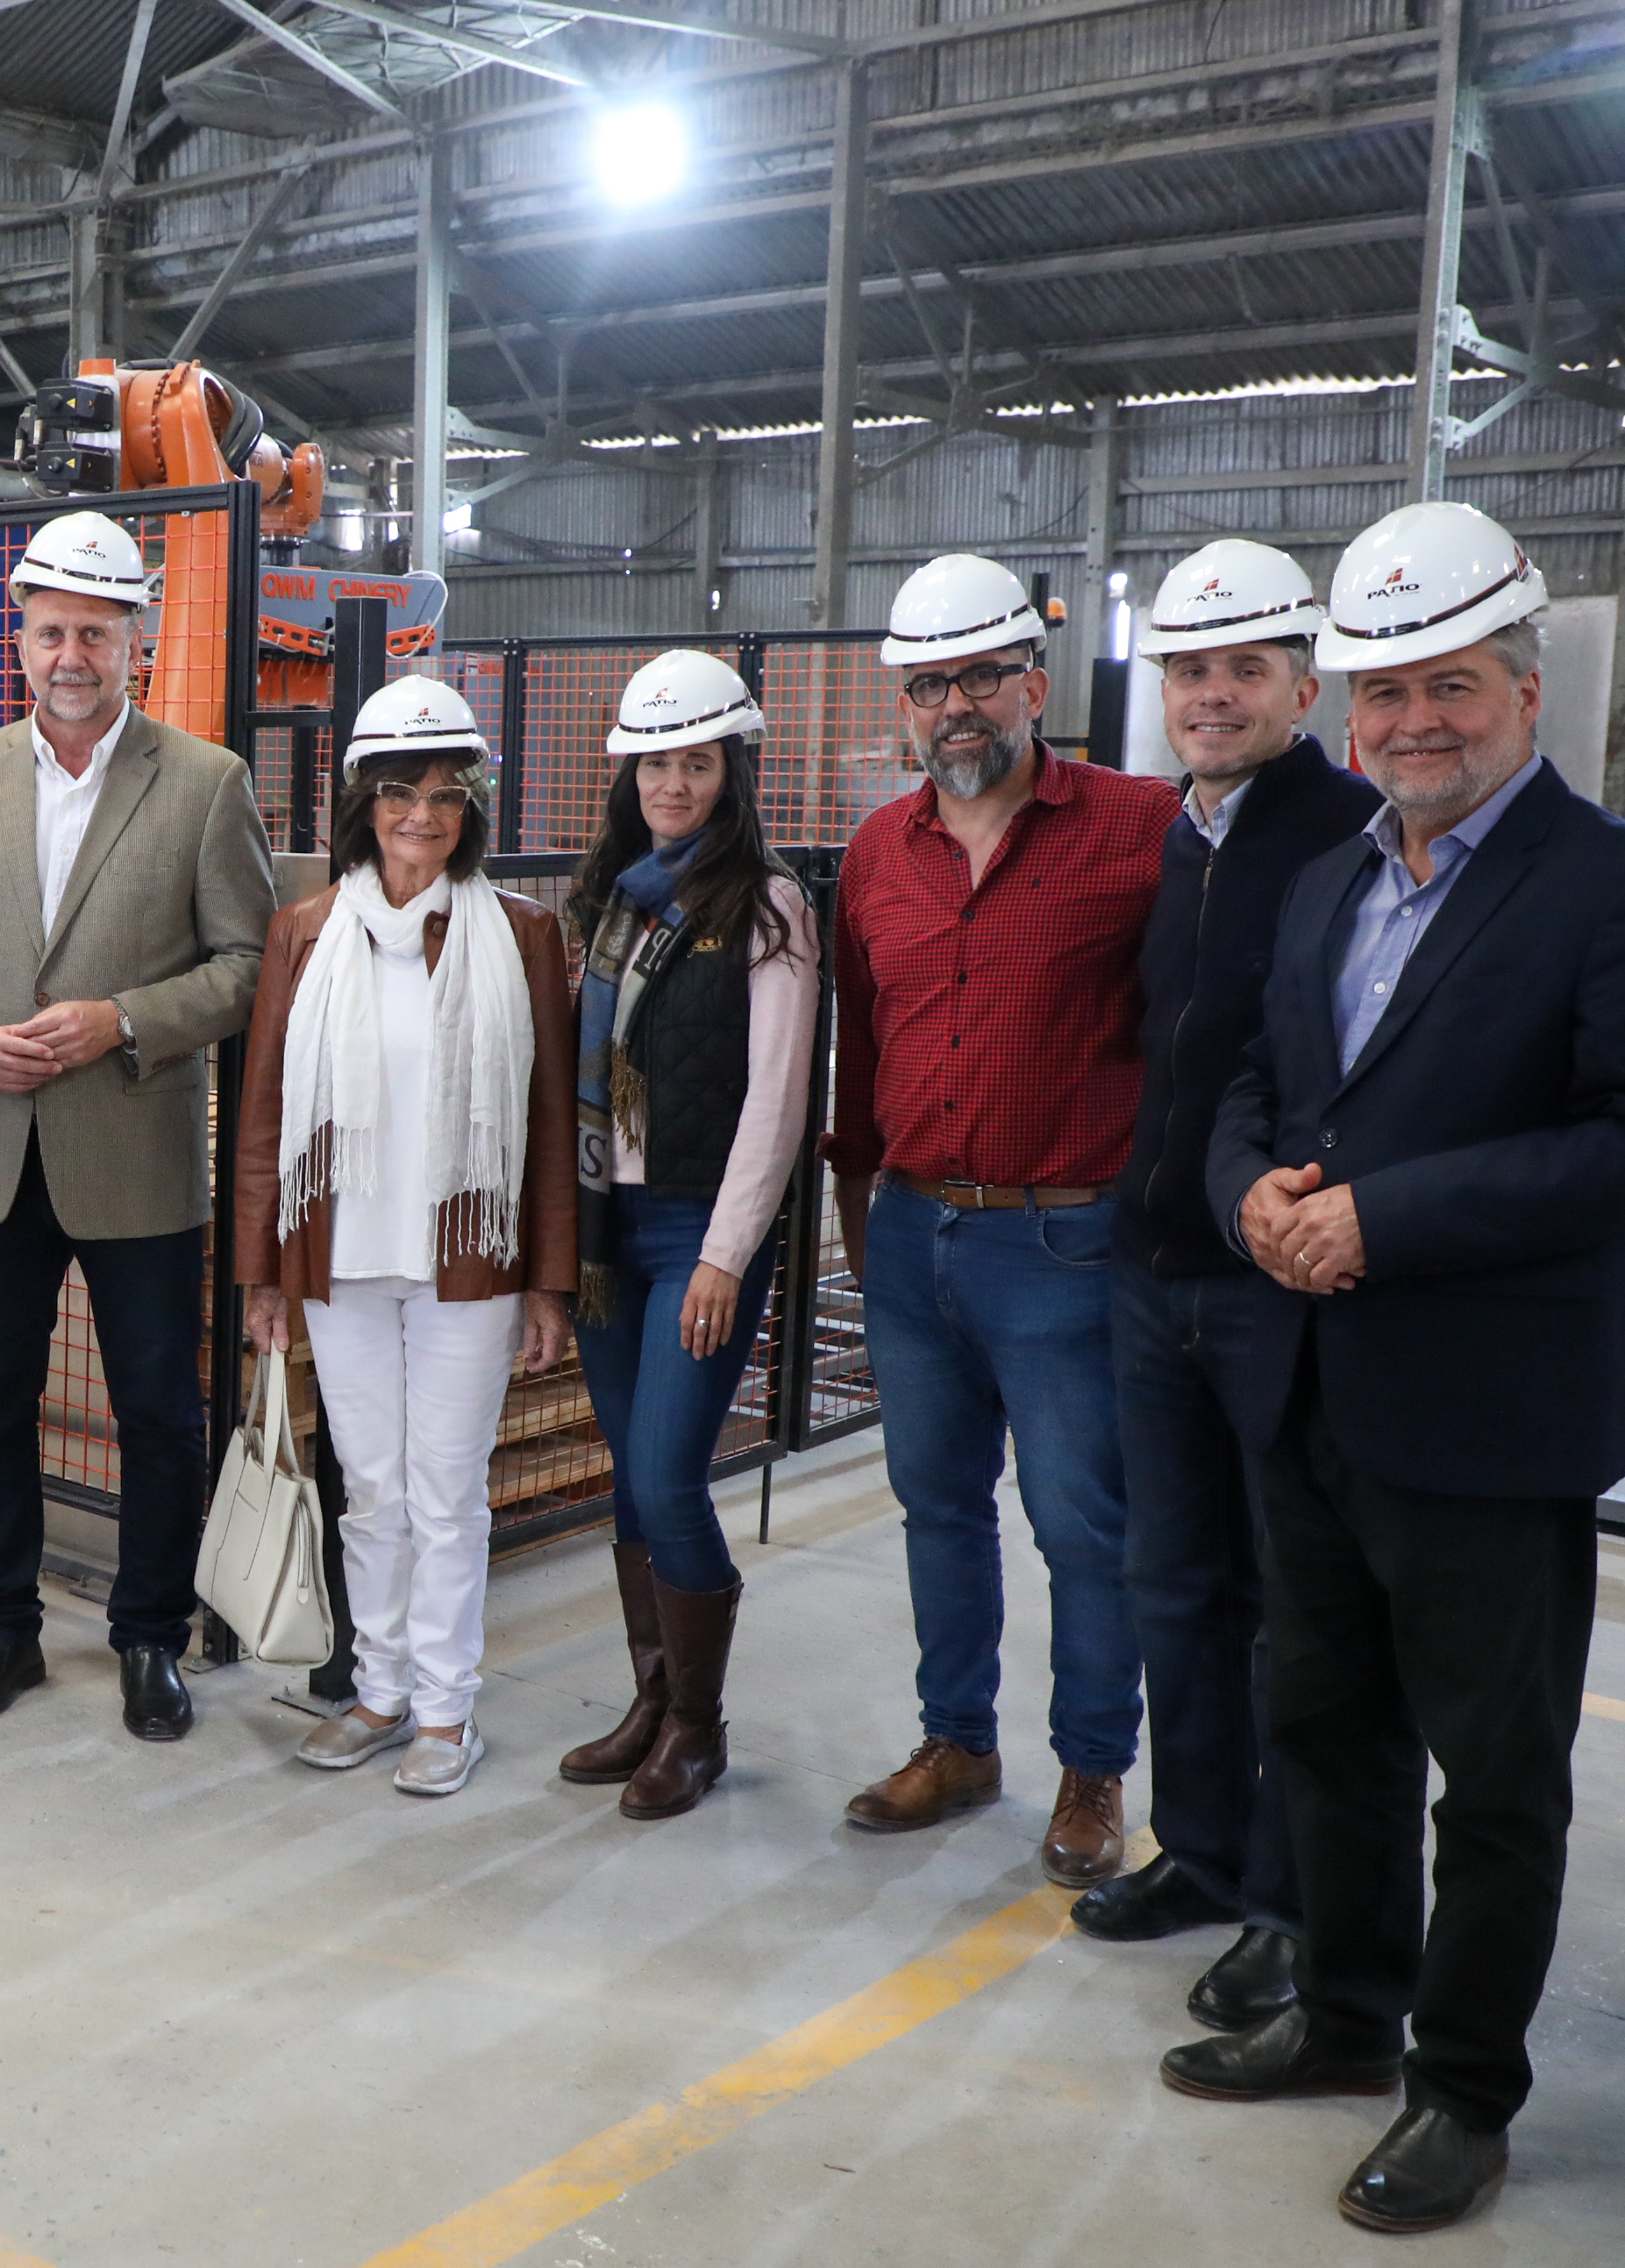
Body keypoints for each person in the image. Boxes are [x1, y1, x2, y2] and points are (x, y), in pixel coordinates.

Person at [1168, 502, 1625, 2234]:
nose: (1416, 719)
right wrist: (1249, 1191)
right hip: (1310, 1390)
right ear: (1351, 712)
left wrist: (1385, 1221)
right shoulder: (1332, 878)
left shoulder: (1624, 885)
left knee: (1490, 1775)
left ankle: (1463, 2086)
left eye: (1452, 684)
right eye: (1389, 690)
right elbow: (1254, 1086)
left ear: (1524, 690)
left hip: (1488, 1413)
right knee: (1326, 1729)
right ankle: (1347, 2012)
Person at [0, 510, 276, 1740]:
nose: (72, 656)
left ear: (135, 643)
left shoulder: (205, 783)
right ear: (20, 638)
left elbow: (245, 966)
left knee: (157, 1410)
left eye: (96, 634)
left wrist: (122, 1019)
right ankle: (0, 1624)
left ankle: (150, 1635)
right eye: (52, 631)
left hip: (135, 1154)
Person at [826, 552, 1178, 1887]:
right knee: (935, 1503)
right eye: (928, 686)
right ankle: (956, 1742)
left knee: (1082, 1524)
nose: (955, 706)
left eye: (980, 676)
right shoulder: (878, 851)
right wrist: (858, 1213)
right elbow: (862, 1049)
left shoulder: (1139, 827)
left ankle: (1092, 1768)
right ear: (902, 708)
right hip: (914, 1232)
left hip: (1065, 1242)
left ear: (1034, 681)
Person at [1074, 544, 1379, 2028]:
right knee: (1171, 1584)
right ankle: (1196, 1851)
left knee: (1283, 1608)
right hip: (1152, 1270)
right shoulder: (1179, 836)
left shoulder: (1347, 835)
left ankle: (1283, 1898)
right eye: (1189, 671)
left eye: (1243, 670)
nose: (1210, 695)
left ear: (1301, 688)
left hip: (1271, 1280)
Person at [234, 679, 576, 1798]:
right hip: (337, 1257)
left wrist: (548, 1282)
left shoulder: (520, 933)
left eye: (444, 795)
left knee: (446, 1492)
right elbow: (266, 1111)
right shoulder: (305, 931)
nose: (421, 816)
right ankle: (378, 1693)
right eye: (398, 793)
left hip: (466, 1259)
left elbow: (547, 1116)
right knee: (371, 1488)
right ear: (363, 805)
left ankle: (445, 1708)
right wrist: (260, 1274)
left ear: (470, 807)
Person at [546, 651, 820, 1821]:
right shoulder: (616, 901)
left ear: (729, 772)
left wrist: (722, 1253)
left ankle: (698, 1728)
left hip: (696, 1236)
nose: (671, 783)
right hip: (610, 1226)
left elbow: (775, 1100)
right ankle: (653, 1700)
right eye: (653, 763)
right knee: (631, 1477)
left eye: (695, 762)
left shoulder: (767, 906)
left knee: (666, 1474)